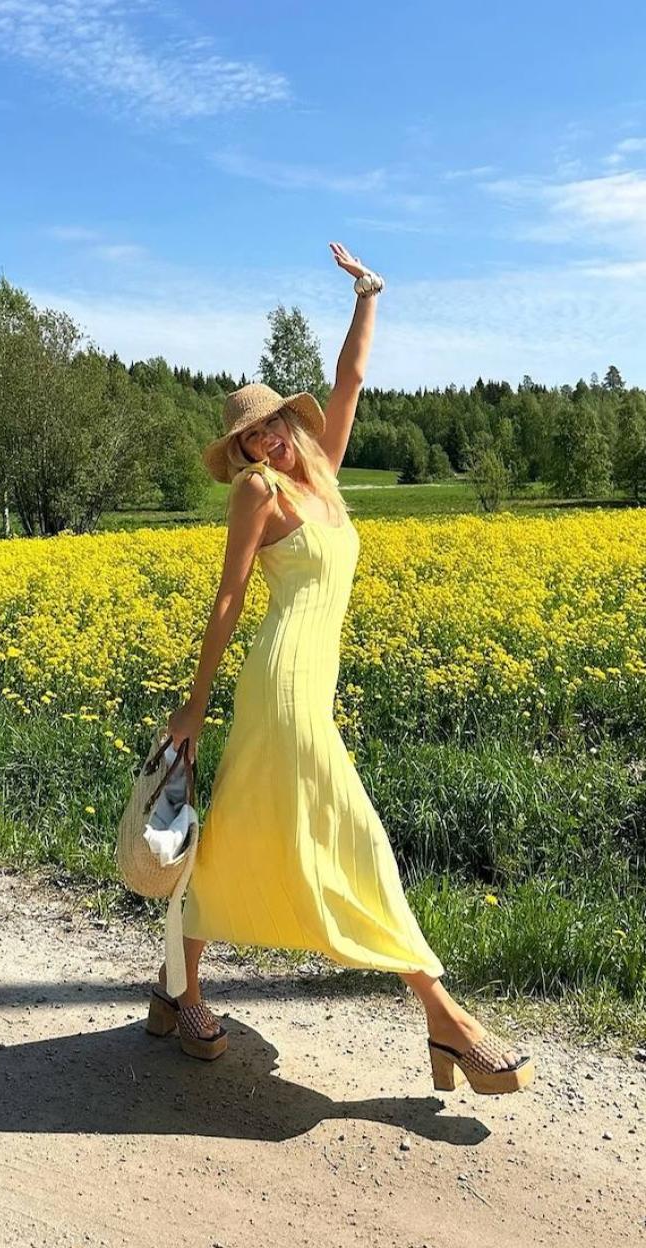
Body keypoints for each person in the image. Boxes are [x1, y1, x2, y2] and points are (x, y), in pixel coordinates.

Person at [147, 242, 534, 1096]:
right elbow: (229, 602)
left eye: (272, 424)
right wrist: (193, 708)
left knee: (244, 833)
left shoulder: (321, 478)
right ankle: (446, 1017)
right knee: (355, 837)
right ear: (241, 449)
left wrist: (369, 292)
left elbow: (351, 376)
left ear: (292, 422)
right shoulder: (260, 495)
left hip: (309, 689)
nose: (264, 440)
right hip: (278, 687)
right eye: (249, 436)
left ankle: (176, 988)